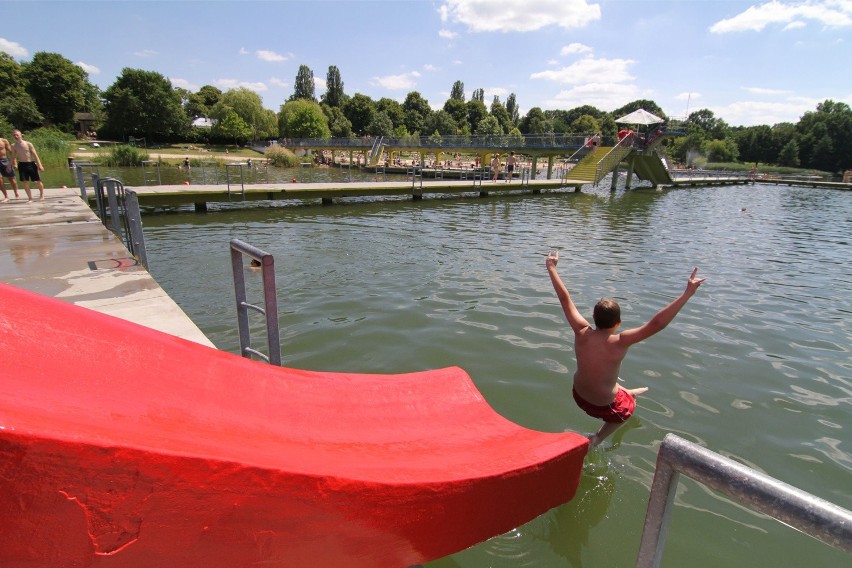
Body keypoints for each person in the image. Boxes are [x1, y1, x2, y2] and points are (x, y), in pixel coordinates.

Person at [545, 250, 705, 447]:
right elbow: (656, 324)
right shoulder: (620, 341)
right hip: (603, 406)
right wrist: (687, 293)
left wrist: (551, 267)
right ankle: (597, 437)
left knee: (608, 379)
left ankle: (625, 391)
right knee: (628, 409)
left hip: (578, 395)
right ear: (618, 323)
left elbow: (564, 299)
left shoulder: (581, 331)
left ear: (593, 319)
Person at [11, 129, 44, 202]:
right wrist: (9, 165)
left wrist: (40, 165)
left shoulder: (28, 144)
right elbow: (13, 156)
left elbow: (35, 155)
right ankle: (30, 198)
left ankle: (41, 194)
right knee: (25, 182)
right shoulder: (13, 146)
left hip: (31, 164)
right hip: (22, 165)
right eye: (14, 135)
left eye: (17, 135)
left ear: (21, 135)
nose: (16, 136)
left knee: (37, 181)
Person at [0, 135, 19, 202]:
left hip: (4, 160)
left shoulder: (3, 141)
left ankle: (16, 193)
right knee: (0, 179)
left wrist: (15, 162)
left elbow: (11, 152)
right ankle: (6, 196)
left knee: (11, 178)